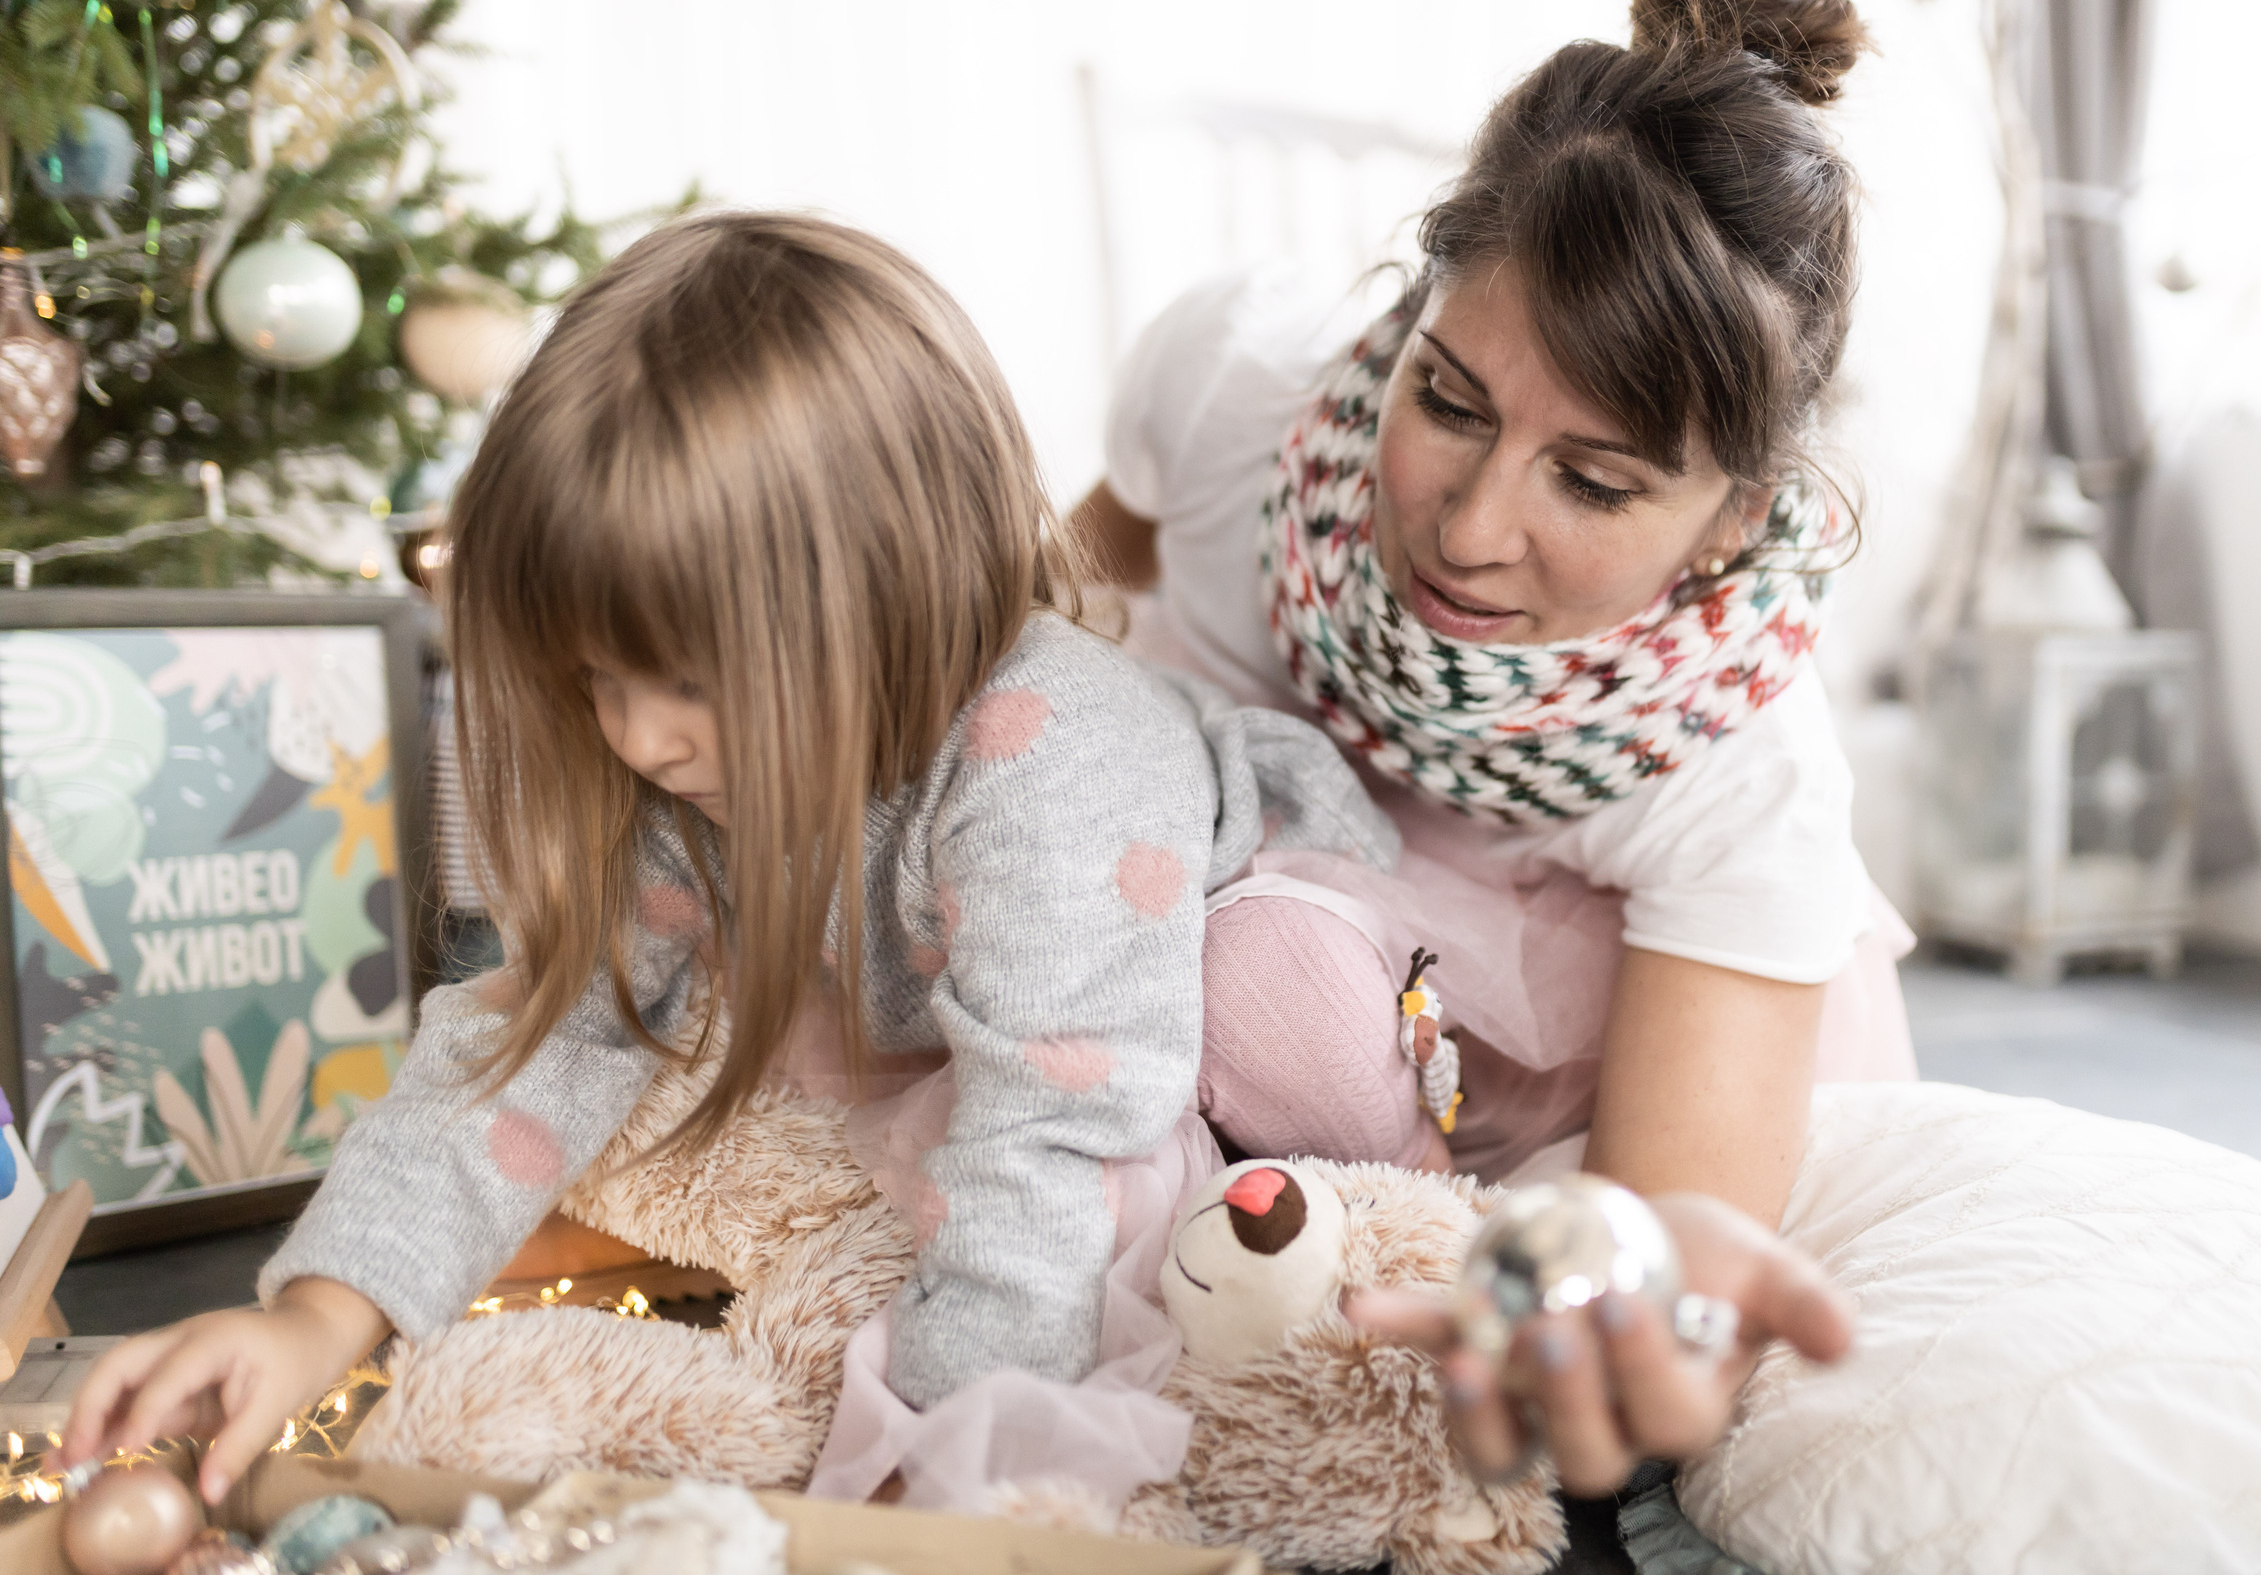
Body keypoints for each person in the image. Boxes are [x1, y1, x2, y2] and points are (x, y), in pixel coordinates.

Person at [60, 211, 1397, 1505]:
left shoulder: (1055, 756)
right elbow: (545, 1036)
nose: (639, 736)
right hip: (965, 1010)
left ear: (888, 591)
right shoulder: (689, 764)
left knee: (1253, 1082)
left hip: (1214, 1004)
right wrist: (313, 1320)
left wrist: (952, 1466)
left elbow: (1054, 1139)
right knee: (646, 1079)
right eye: (598, 676)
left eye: (689, 682)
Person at [1075, 0, 1894, 1489]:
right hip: (1232, 925)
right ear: (1412, 306)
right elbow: (1054, 609)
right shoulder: (1243, 384)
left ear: (1732, 520)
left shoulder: (1739, 768)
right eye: (1449, 399)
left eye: (1593, 487)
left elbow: (1649, 1249)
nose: (1466, 527)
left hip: (1534, 1067)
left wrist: (1600, 1312)